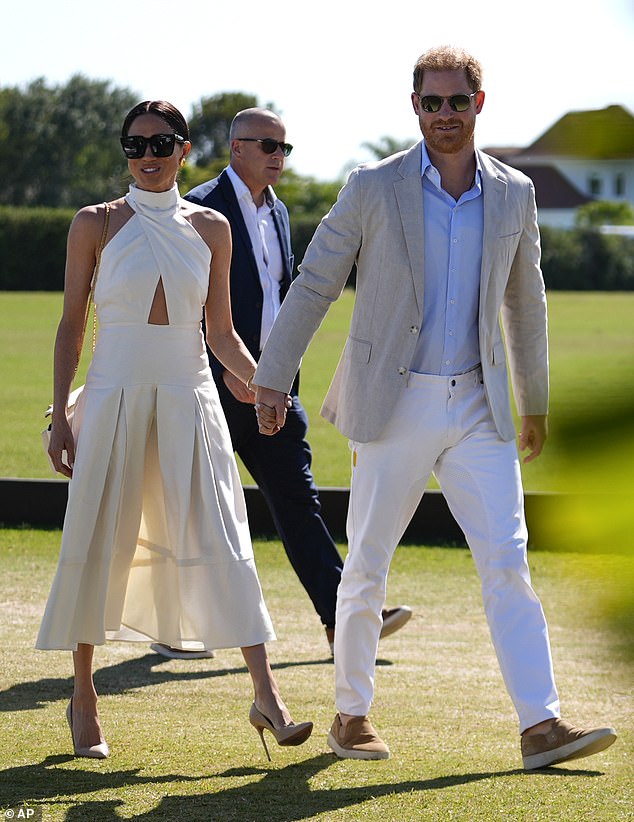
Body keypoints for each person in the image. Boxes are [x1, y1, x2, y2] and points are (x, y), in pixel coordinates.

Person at [251, 47, 617, 768]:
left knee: (508, 562)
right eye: (432, 102)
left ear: (480, 104)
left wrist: (532, 401)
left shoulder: (514, 192)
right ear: (413, 106)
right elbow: (317, 280)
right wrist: (272, 377)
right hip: (394, 403)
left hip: (479, 407)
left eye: (457, 101)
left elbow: (524, 300)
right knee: (367, 567)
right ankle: (350, 716)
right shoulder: (373, 186)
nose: (444, 114)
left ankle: (540, 726)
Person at [36, 100, 312, 761]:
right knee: (98, 535)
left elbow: (221, 332)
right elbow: (72, 324)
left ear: (186, 149)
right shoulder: (94, 223)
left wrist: (264, 388)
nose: (148, 154)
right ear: (124, 151)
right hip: (112, 397)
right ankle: (83, 698)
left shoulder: (213, 227)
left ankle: (267, 697)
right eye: (135, 144)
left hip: (191, 398)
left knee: (224, 532)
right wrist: (59, 415)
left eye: (162, 142)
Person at [149, 107, 410, 661]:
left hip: (271, 383)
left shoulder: (281, 213)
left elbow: (284, 295)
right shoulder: (196, 207)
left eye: (284, 148)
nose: (278, 157)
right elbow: (178, 301)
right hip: (209, 382)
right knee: (196, 503)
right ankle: (173, 626)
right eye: (267, 146)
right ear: (235, 147)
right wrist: (225, 369)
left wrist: (276, 375)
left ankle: (342, 619)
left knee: (297, 497)